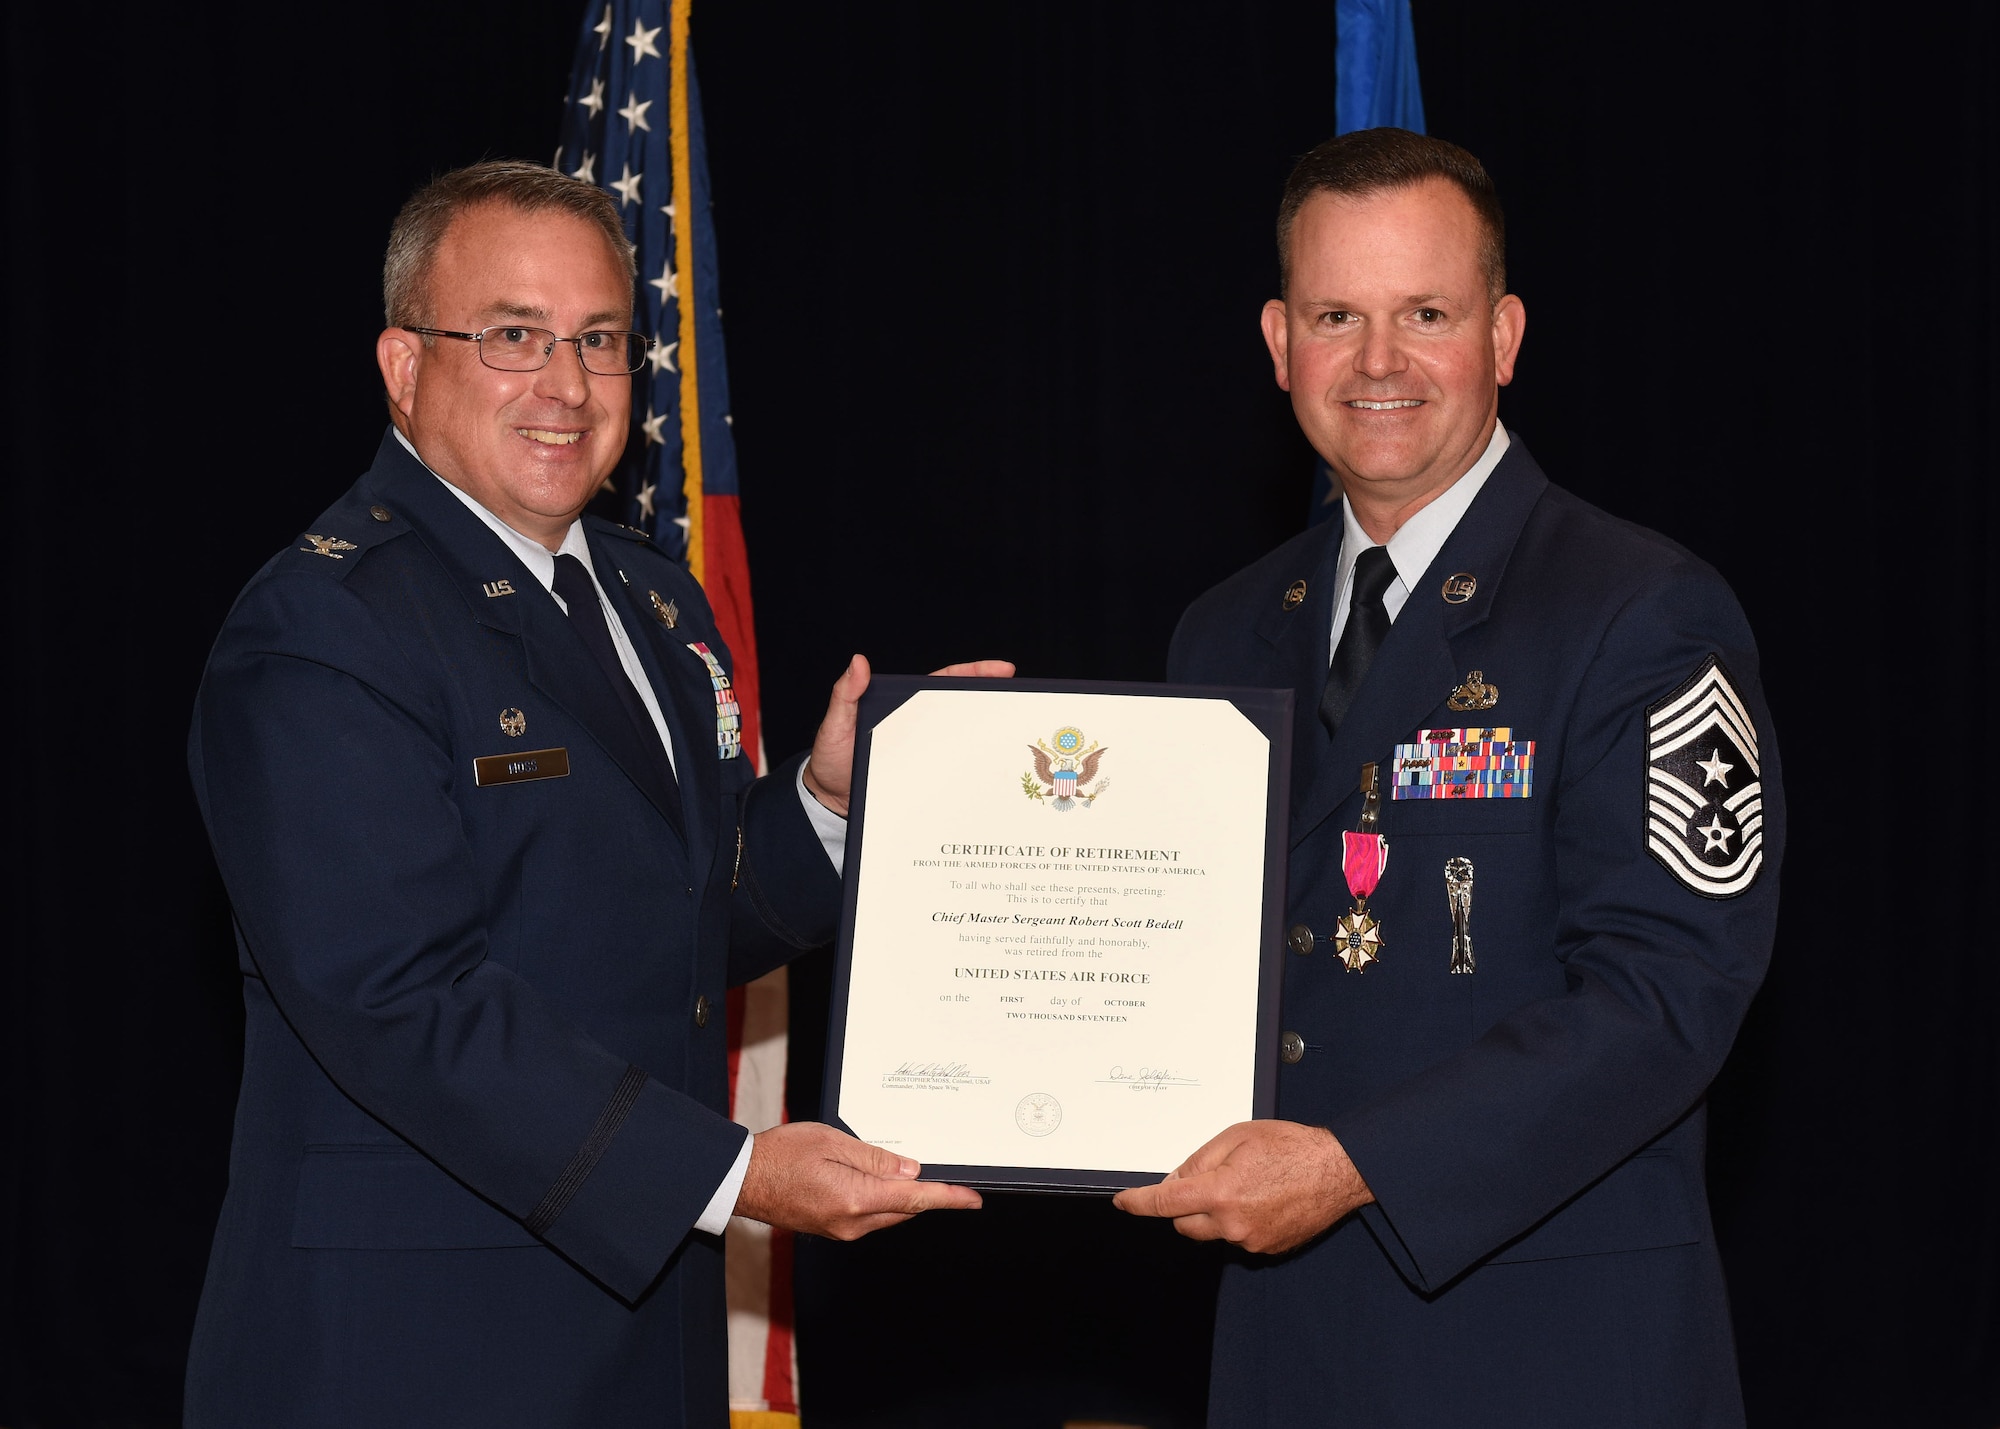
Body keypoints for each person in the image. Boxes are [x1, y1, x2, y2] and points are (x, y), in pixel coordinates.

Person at [184, 161, 1000, 1426]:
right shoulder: (319, 629)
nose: (563, 386)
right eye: (511, 336)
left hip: (637, 1323)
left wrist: (827, 803)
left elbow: (682, 916)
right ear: (404, 366)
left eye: (600, 341)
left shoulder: (653, 601)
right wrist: (734, 1173)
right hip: (410, 1349)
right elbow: (401, 1001)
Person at [1115, 129, 1784, 1426]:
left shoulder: (1641, 610)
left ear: (1506, 333)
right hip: (1287, 1342)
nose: (1378, 361)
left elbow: (1669, 992)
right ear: (1277, 341)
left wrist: (1361, 1163)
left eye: (1426, 313)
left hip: (1549, 1348)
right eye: (1336, 315)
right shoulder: (1226, 629)